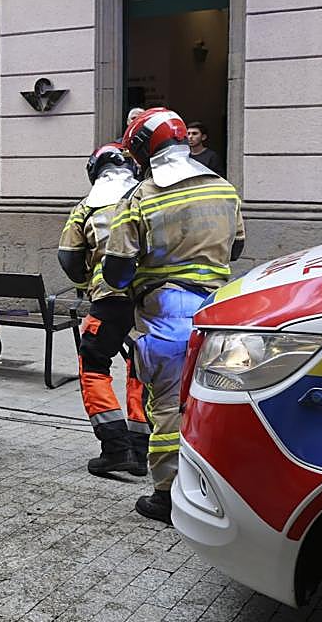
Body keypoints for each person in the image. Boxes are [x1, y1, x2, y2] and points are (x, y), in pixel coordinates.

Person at [102, 108, 245, 524]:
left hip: (166, 313)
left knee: (166, 406)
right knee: (211, 399)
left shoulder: (141, 197)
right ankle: (214, 488)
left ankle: (166, 496)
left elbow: (116, 270)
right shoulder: (224, 188)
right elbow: (235, 248)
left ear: (145, 149)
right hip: (217, 310)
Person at [58, 143, 149, 478]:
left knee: (94, 363)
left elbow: (68, 257)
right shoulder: (148, 199)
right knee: (141, 367)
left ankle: (115, 448)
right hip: (149, 303)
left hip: (109, 299)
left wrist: (88, 281)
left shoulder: (86, 208)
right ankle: (142, 452)